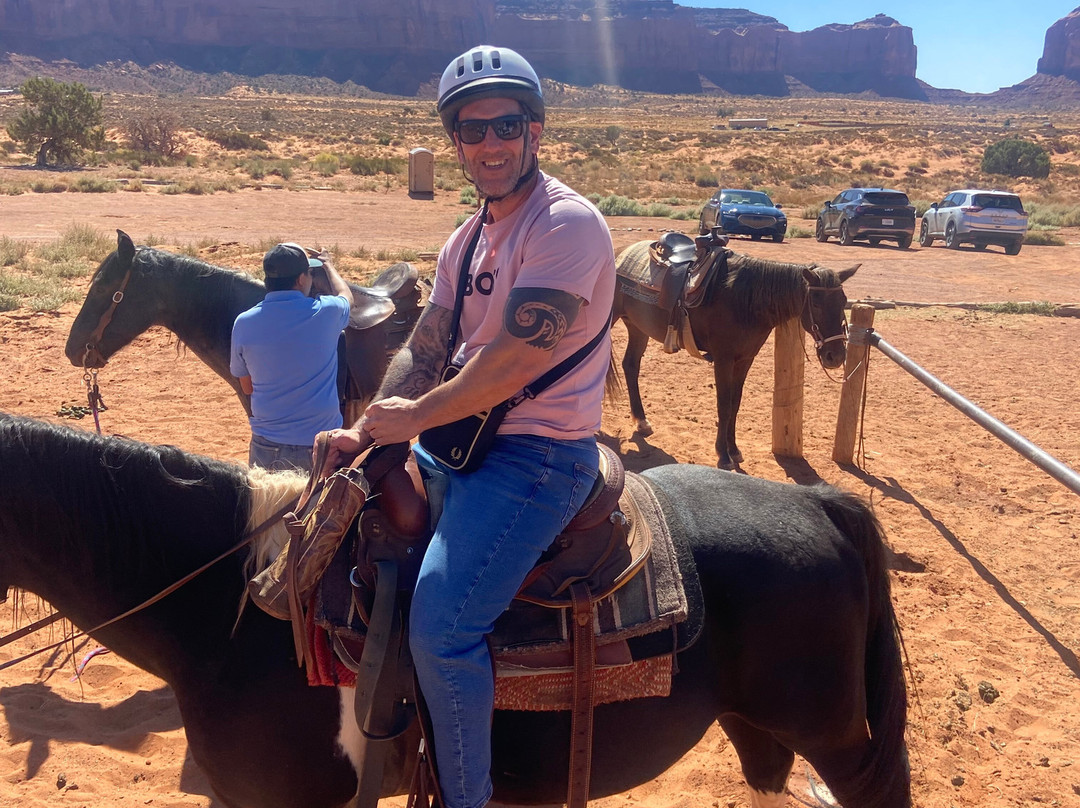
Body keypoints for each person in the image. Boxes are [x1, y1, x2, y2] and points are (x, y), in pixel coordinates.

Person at [320, 45, 616, 808]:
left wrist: (413, 418)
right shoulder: (468, 235)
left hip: (538, 457)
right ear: (455, 142)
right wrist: (371, 430)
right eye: (470, 130)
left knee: (443, 628)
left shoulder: (567, 225)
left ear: (536, 131)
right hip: (455, 440)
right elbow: (428, 346)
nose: (488, 144)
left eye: (504, 125)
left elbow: (515, 358)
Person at [231, 242, 353, 472]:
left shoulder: (244, 323)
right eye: (309, 273)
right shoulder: (327, 311)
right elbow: (346, 296)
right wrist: (329, 266)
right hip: (321, 446)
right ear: (300, 279)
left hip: (267, 445)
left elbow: (247, 387)